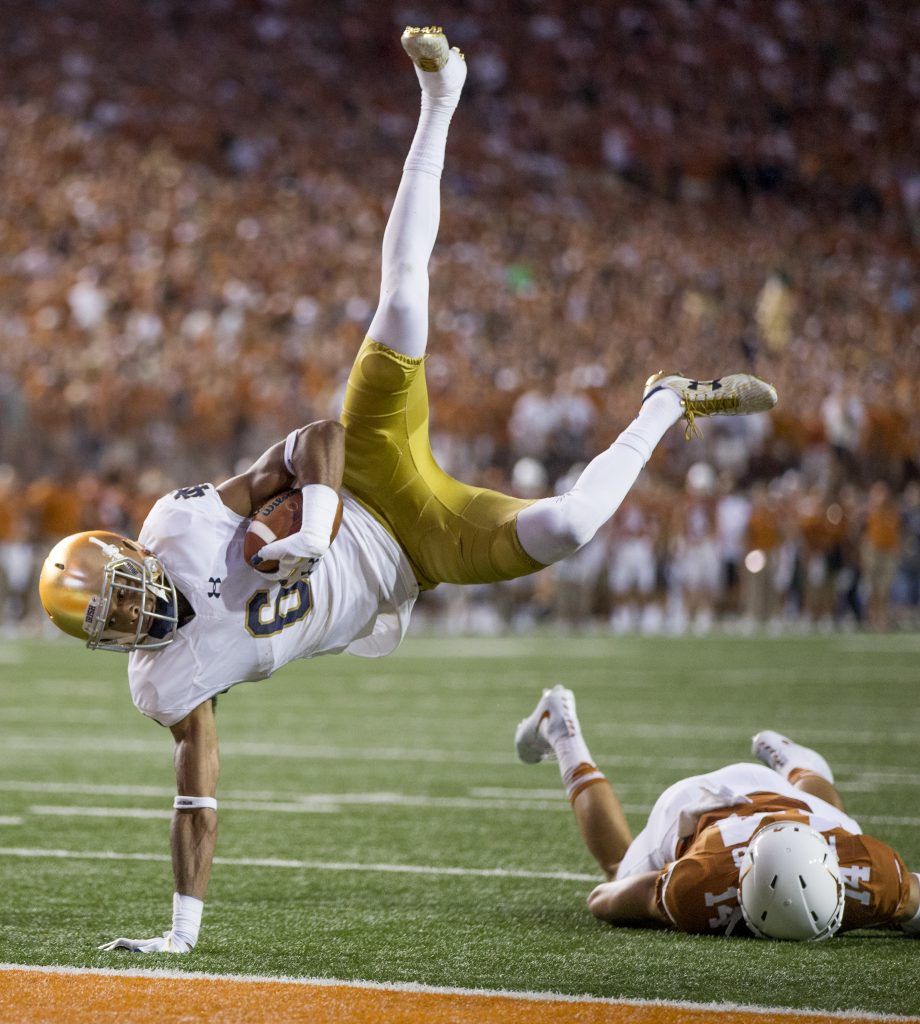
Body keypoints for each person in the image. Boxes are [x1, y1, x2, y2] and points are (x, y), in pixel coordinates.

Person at [37, 28, 777, 954]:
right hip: (412, 554)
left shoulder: (180, 525)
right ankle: (668, 403)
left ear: (127, 551)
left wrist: (310, 525)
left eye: (116, 587)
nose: (127, 611)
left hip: (370, 474)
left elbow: (318, 439)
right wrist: (181, 934)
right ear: (105, 642)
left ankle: (440, 98)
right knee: (571, 526)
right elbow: (196, 798)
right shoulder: (166, 684)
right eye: (107, 619)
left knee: (400, 300)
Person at [515, 686, 919, 939]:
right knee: (618, 866)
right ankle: (560, 730)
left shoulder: (877, 876)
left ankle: (797, 764)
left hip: (794, 809)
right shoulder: (701, 885)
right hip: (699, 804)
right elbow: (602, 898)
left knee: (832, 816)